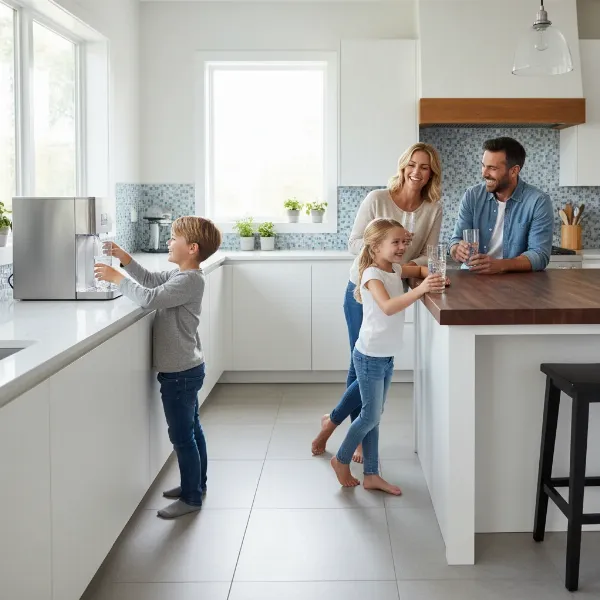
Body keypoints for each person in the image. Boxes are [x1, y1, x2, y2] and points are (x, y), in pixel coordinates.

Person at [312, 142, 443, 462]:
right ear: (403, 166)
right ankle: (351, 431)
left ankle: (333, 420)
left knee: (377, 365)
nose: (417, 171)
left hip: (396, 290)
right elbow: (355, 242)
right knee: (360, 363)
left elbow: (431, 251)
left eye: (424, 167)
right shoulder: (377, 199)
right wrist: (398, 262)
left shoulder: (433, 208)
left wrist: (399, 264)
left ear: (432, 174)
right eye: (412, 164)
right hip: (362, 290)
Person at [95, 217, 222, 520]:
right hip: (186, 368)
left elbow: (150, 298)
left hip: (180, 374)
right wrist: (125, 260)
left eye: (173, 238)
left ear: (191, 248)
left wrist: (117, 279)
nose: (168, 241)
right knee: (192, 431)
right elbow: (152, 281)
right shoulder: (183, 275)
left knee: (182, 437)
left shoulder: (189, 281)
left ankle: (191, 496)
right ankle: (197, 484)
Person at [330, 218, 445, 493]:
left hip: (385, 355)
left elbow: (416, 267)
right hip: (369, 356)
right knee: (370, 416)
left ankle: (371, 475)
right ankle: (341, 458)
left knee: (374, 415)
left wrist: (435, 272)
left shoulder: (393, 268)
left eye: (405, 241)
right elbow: (388, 307)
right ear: (375, 246)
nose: (402, 246)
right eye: (395, 242)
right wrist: (421, 289)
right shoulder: (371, 275)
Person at [450, 136, 553, 273]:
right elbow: (455, 240)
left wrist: (500, 265)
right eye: (483, 165)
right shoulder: (472, 196)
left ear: (514, 171)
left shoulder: (538, 201)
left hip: (517, 282)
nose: (484, 173)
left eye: (492, 168)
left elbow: (540, 255)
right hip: (473, 277)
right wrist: (457, 249)